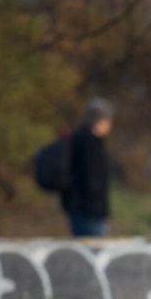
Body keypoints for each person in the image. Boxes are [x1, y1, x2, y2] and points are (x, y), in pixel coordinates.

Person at [63, 98, 114, 237]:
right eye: (107, 120)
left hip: (81, 209)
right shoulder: (90, 144)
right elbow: (93, 179)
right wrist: (98, 207)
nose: (110, 125)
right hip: (89, 212)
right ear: (98, 122)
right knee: (94, 254)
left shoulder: (79, 139)